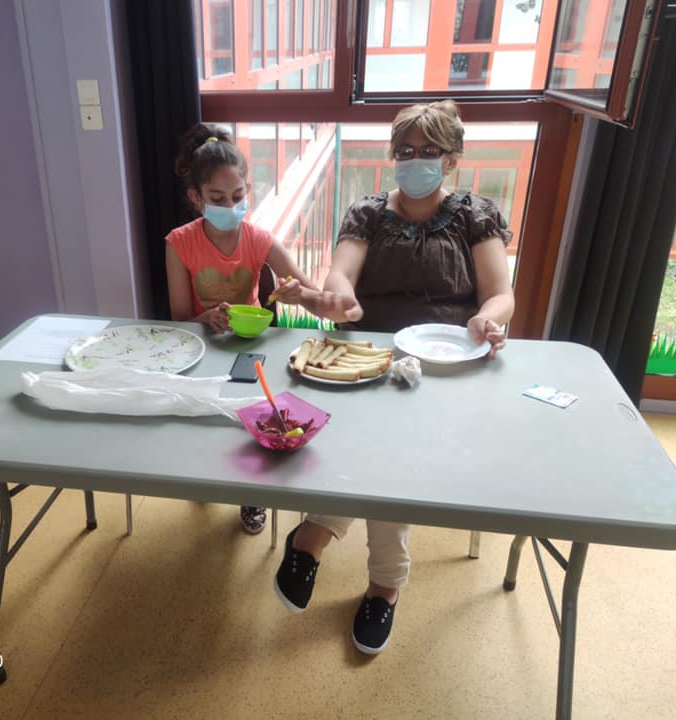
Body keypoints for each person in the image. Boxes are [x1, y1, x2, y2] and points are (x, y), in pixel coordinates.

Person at [270, 100, 514, 654]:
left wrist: (487, 320)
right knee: (380, 455)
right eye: (405, 150)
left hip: (448, 366)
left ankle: (324, 540)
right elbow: (340, 274)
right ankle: (382, 578)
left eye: (429, 151)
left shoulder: (476, 214)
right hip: (367, 361)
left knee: (388, 460)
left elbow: (501, 293)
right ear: (392, 156)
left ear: (451, 159)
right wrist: (340, 298)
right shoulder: (368, 212)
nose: (415, 160)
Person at [166, 122, 317, 534]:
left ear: (248, 190)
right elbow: (179, 320)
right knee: (202, 418)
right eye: (217, 198)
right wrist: (205, 318)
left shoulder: (257, 238)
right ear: (196, 197)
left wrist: (297, 292)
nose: (230, 205)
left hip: (250, 348)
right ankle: (207, 475)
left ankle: (252, 494)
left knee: (256, 414)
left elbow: (311, 289)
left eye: (238, 196)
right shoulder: (179, 243)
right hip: (203, 347)